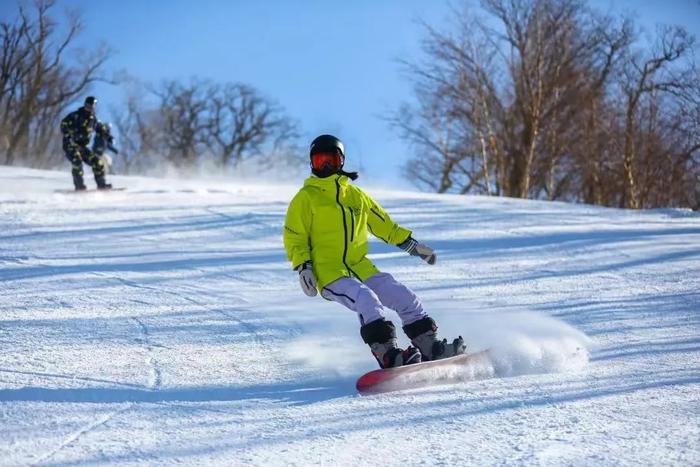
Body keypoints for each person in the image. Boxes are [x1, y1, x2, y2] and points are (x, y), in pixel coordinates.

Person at [283, 134, 466, 369]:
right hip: (328, 273)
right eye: (320, 161)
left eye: (331, 160)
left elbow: (384, 225)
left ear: (341, 161)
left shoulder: (357, 197)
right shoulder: (306, 198)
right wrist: (304, 267)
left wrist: (411, 245)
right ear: (312, 164)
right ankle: (388, 354)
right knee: (366, 299)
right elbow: (294, 236)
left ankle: (430, 346)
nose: (326, 166)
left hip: (361, 266)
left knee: (403, 296)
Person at [60, 96, 112, 190]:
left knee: (98, 163)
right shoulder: (75, 115)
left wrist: (108, 138)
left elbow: (102, 130)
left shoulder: (94, 120)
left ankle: (101, 185)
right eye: (87, 106)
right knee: (77, 161)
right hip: (70, 145)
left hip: (82, 147)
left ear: (94, 107)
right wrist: (67, 134)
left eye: (91, 107)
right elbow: (63, 124)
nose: (88, 109)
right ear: (84, 105)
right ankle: (79, 185)